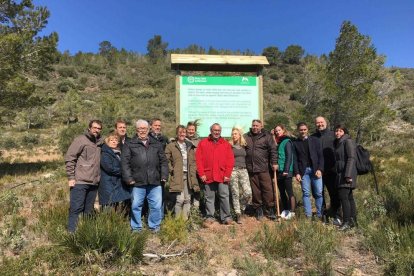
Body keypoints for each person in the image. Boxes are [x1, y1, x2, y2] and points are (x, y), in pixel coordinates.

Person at [121, 119, 168, 232]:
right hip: (137, 182)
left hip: (155, 181)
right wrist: (129, 178)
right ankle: (136, 228)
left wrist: (164, 175)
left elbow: (163, 161)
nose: (142, 131)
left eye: (144, 129)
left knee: (156, 206)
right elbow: (125, 163)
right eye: (140, 129)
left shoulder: (156, 144)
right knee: (136, 206)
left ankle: (154, 227)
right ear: (136, 130)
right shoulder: (130, 144)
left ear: (148, 129)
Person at [64, 120, 103, 232]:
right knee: (76, 208)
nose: (97, 130)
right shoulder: (81, 140)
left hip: (94, 182)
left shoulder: (100, 143)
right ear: (89, 128)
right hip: (80, 181)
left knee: (88, 210)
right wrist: (71, 177)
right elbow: (70, 158)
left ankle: (86, 233)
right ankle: (72, 233)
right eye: (95, 128)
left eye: (99, 128)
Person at [196, 123, 235, 226]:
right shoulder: (203, 143)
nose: (217, 132)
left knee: (224, 196)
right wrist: (201, 173)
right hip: (208, 175)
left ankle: (226, 217)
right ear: (211, 131)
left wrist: (227, 174)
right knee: (209, 197)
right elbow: (198, 160)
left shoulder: (225, 144)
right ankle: (210, 217)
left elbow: (230, 160)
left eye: (218, 130)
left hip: (222, 175)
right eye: (215, 130)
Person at [244, 119, 278, 220]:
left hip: (264, 167)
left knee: (267, 189)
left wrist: (275, 162)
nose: (255, 127)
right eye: (253, 125)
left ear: (261, 126)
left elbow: (273, 150)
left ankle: (270, 209)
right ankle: (258, 209)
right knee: (256, 191)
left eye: (257, 126)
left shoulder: (267, 136)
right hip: (251, 168)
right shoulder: (246, 136)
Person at [165, 125, 199, 220]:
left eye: (184, 132)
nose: (182, 134)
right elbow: (166, 160)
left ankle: (184, 222)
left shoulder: (189, 146)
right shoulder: (171, 146)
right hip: (178, 175)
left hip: (189, 176)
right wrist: (172, 169)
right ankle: (177, 222)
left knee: (187, 199)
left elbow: (193, 161)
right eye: (180, 132)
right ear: (177, 134)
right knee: (179, 200)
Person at [312, 116, 341, 225]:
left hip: (332, 171)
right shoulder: (313, 137)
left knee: (334, 194)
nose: (320, 124)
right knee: (319, 195)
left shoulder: (334, 135)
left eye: (321, 122)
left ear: (326, 123)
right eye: (317, 123)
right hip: (317, 172)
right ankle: (323, 216)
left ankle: (337, 215)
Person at [293, 122, 324, 219]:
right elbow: (295, 160)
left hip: (315, 170)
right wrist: (297, 173)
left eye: (304, 129)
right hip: (304, 172)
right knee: (306, 193)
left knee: (319, 192)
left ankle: (319, 215)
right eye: (301, 130)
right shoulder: (295, 143)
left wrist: (320, 169)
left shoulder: (315, 140)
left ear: (307, 130)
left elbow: (320, 156)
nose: (303, 131)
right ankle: (308, 215)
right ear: (298, 130)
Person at [333, 124, 358, 231]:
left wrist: (347, 175)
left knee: (344, 197)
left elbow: (351, 158)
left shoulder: (347, 141)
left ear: (345, 132)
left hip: (347, 174)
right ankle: (353, 221)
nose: (338, 133)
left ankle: (346, 222)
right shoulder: (340, 142)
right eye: (336, 131)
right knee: (349, 197)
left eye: (340, 131)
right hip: (342, 173)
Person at [98, 132, 131, 210]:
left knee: (115, 206)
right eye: (111, 140)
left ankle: (116, 221)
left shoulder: (118, 153)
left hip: (115, 183)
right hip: (108, 184)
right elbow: (110, 168)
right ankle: (107, 222)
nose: (114, 142)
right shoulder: (105, 153)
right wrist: (125, 172)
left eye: (115, 140)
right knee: (108, 206)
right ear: (107, 142)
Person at [229, 127, 252, 224]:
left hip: (243, 170)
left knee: (248, 192)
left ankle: (241, 208)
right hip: (233, 170)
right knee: (235, 193)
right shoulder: (229, 145)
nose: (234, 135)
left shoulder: (244, 145)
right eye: (233, 133)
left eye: (236, 134)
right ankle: (238, 214)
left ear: (239, 135)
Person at [274, 124, 296, 220]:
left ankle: (292, 211)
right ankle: (286, 209)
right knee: (282, 192)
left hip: (286, 171)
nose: (277, 132)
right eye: (276, 131)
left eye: (279, 130)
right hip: (279, 171)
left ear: (283, 130)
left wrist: (286, 170)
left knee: (289, 191)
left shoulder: (287, 141)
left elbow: (289, 156)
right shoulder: (277, 142)